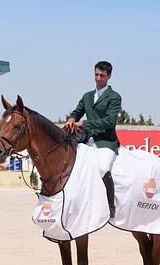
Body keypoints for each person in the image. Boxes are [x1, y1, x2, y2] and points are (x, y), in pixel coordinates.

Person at [64, 61, 121, 218]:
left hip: (106, 141)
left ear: (109, 76)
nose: (98, 78)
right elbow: (77, 111)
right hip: (88, 140)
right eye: (96, 74)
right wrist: (71, 119)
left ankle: (110, 206)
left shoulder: (114, 97)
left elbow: (110, 121)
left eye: (102, 75)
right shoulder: (87, 96)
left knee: (102, 167)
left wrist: (85, 123)